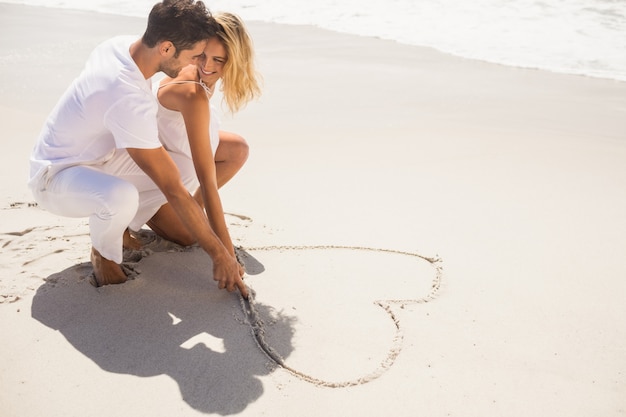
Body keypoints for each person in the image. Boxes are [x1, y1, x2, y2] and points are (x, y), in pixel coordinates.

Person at [28, 0, 248, 298]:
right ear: (167, 48)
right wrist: (221, 255)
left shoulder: (120, 47)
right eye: (195, 55)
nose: (196, 65)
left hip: (97, 160)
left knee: (180, 168)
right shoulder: (126, 95)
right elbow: (171, 188)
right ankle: (103, 255)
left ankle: (119, 225)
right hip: (55, 177)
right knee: (122, 196)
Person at [147, 12, 261, 273]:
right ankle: (153, 216)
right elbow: (207, 182)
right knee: (188, 237)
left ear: (233, 60)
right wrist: (226, 256)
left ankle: (192, 210)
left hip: (174, 157)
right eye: (201, 56)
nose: (206, 66)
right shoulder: (190, 90)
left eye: (218, 60)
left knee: (237, 149)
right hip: (154, 183)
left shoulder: (201, 80)